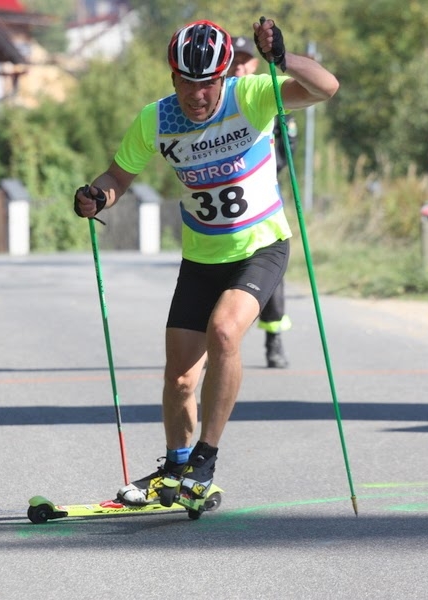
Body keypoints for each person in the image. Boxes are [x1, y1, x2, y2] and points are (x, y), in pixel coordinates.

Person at [74, 18, 339, 505]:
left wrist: (285, 58)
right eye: (188, 83)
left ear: (224, 76)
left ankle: (205, 459)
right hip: (202, 256)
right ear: (173, 77)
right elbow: (118, 175)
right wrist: (97, 196)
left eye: (210, 83)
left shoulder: (252, 95)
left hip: (260, 246)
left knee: (224, 332)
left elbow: (326, 87)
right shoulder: (156, 119)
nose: (199, 95)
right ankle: (173, 470)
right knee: (178, 379)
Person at [229, 34, 297, 369]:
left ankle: (274, 339)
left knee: (270, 268)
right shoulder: (216, 99)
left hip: (262, 192)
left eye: (245, 59)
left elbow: (287, 150)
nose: (240, 65)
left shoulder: (267, 93)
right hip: (222, 199)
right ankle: (221, 343)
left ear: (254, 63)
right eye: (235, 60)